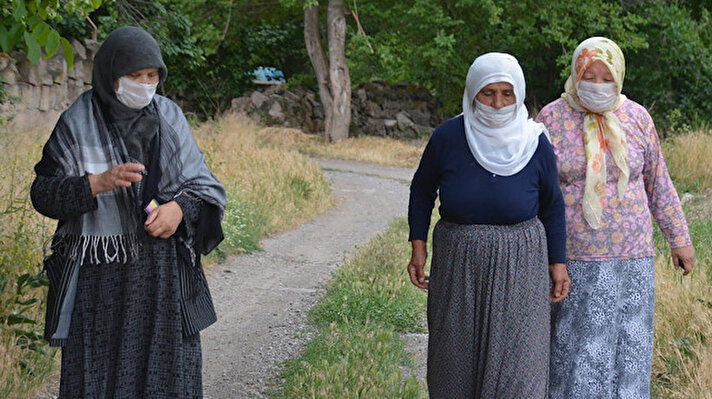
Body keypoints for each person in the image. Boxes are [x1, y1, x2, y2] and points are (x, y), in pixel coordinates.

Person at [31, 26, 226, 398]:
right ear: (110, 74)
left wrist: (178, 210)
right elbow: (42, 193)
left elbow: (205, 188)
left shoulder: (169, 116)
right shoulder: (76, 122)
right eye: (134, 76)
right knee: (97, 379)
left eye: (152, 76)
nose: (145, 84)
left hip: (164, 281)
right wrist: (94, 184)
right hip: (99, 286)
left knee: (166, 380)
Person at [535, 36, 695, 398]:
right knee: (577, 349)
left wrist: (679, 239)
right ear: (575, 75)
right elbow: (538, 189)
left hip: (632, 261)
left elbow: (658, 182)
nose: (597, 84)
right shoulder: (552, 118)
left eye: (606, 77)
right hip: (574, 259)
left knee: (629, 346)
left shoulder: (637, 117)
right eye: (589, 76)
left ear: (619, 78)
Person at [407, 52, 570, 398]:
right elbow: (422, 190)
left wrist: (558, 263)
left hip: (522, 265)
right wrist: (418, 246)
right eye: (488, 93)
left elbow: (553, 204)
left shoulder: (534, 141)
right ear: (472, 92)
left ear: (520, 94)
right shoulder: (448, 137)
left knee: (520, 367)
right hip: (459, 264)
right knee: (455, 361)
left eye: (507, 93)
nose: (498, 104)